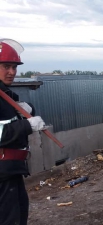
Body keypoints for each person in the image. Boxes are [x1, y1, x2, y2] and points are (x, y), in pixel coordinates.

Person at [0, 39, 47, 224]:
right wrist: (27, 126)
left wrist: (28, 110)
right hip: (2, 174)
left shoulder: (5, 94)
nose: (12, 72)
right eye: (6, 66)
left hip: (11, 170)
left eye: (14, 67)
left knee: (19, 216)